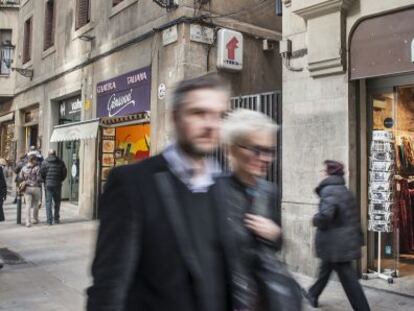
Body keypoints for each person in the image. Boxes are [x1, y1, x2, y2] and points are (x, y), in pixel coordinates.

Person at [87, 74, 233, 311]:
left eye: (220, 116)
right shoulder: (131, 183)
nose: (211, 125)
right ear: (175, 117)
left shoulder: (224, 185)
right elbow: (108, 286)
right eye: (199, 113)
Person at [219, 109, 301, 311]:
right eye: (256, 150)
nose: (265, 158)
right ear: (230, 149)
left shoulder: (269, 191)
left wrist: (275, 234)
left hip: (264, 301)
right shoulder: (213, 192)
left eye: (270, 151)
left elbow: (274, 247)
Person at [302, 160, 370, 310]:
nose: (320, 173)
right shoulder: (344, 190)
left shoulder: (330, 191)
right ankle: (313, 293)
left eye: (323, 171)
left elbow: (326, 216)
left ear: (328, 173)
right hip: (340, 242)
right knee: (325, 269)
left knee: (349, 281)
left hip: (337, 244)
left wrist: (315, 220)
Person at [40, 150, 67, 225]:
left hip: (48, 185)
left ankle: (49, 220)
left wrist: (45, 181)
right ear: (55, 154)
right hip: (57, 184)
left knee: (48, 202)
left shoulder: (45, 162)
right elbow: (64, 173)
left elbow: (41, 173)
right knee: (57, 202)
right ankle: (56, 219)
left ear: (48, 154)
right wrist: (60, 179)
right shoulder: (61, 162)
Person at [19, 155, 42, 228]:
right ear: (33, 160)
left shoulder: (24, 168)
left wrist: (26, 181)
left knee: (28, 205)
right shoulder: (37, 168)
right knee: (36, 204)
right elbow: (39, 179)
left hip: (27, 188)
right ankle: (35, 219)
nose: (36, 161)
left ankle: (27, 222)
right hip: (36, 188)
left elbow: (20, 177)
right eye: (35, 160)